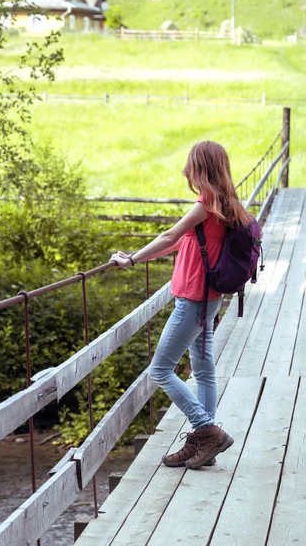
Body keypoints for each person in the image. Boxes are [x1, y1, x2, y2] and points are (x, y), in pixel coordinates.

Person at [110, 140, 253, 470]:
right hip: (209, 299)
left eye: (190, 163)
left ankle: (206, 430)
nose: (185, 169)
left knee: (160, 369)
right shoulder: (227, 203)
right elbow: (177, 244)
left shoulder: (206, 203)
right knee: (203, 370)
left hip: (192, 300)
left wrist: (131, 260)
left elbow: (169, 236)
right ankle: (204, 441)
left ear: (200, 167)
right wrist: (140, 258)